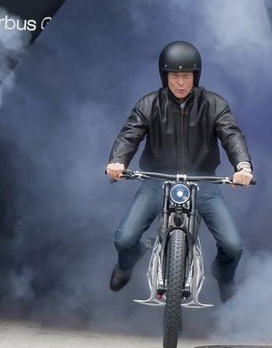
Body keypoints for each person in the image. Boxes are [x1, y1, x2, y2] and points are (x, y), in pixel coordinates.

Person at [106, 41, 254, 302]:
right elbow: (129, 135)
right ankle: (126, 265)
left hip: (203, 184)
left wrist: (243, 166)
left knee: (233, 246)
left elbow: (232, 135)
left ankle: (224, 275)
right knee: (124, 240)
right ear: (164, 75)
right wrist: (118, 161)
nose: (181, 82)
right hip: (156, 182)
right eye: (175, 75)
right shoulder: (149, 104)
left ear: (196, 75)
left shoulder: (214, 104)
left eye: (187, 75)